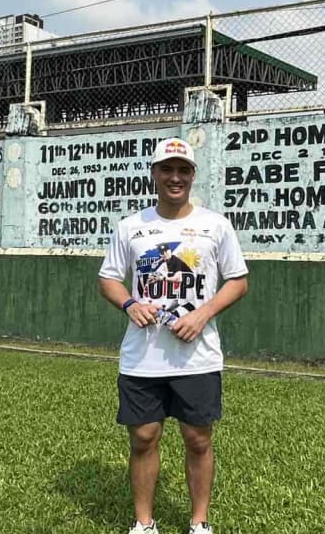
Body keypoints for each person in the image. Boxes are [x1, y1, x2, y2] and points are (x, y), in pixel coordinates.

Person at [98, 137, 249, 534]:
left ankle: (199, 522)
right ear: (154, 174)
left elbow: (238, 281)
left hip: (197, 356)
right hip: (142, 355)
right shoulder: (132, 227)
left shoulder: (216, 225)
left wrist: (202, 315)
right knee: (144, 437)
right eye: (167, 169)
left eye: (183, 170)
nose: (175, 177)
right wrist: (131, 305)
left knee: (197, 438)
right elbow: (109, 279)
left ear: (193, 175)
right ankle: (144, 523)